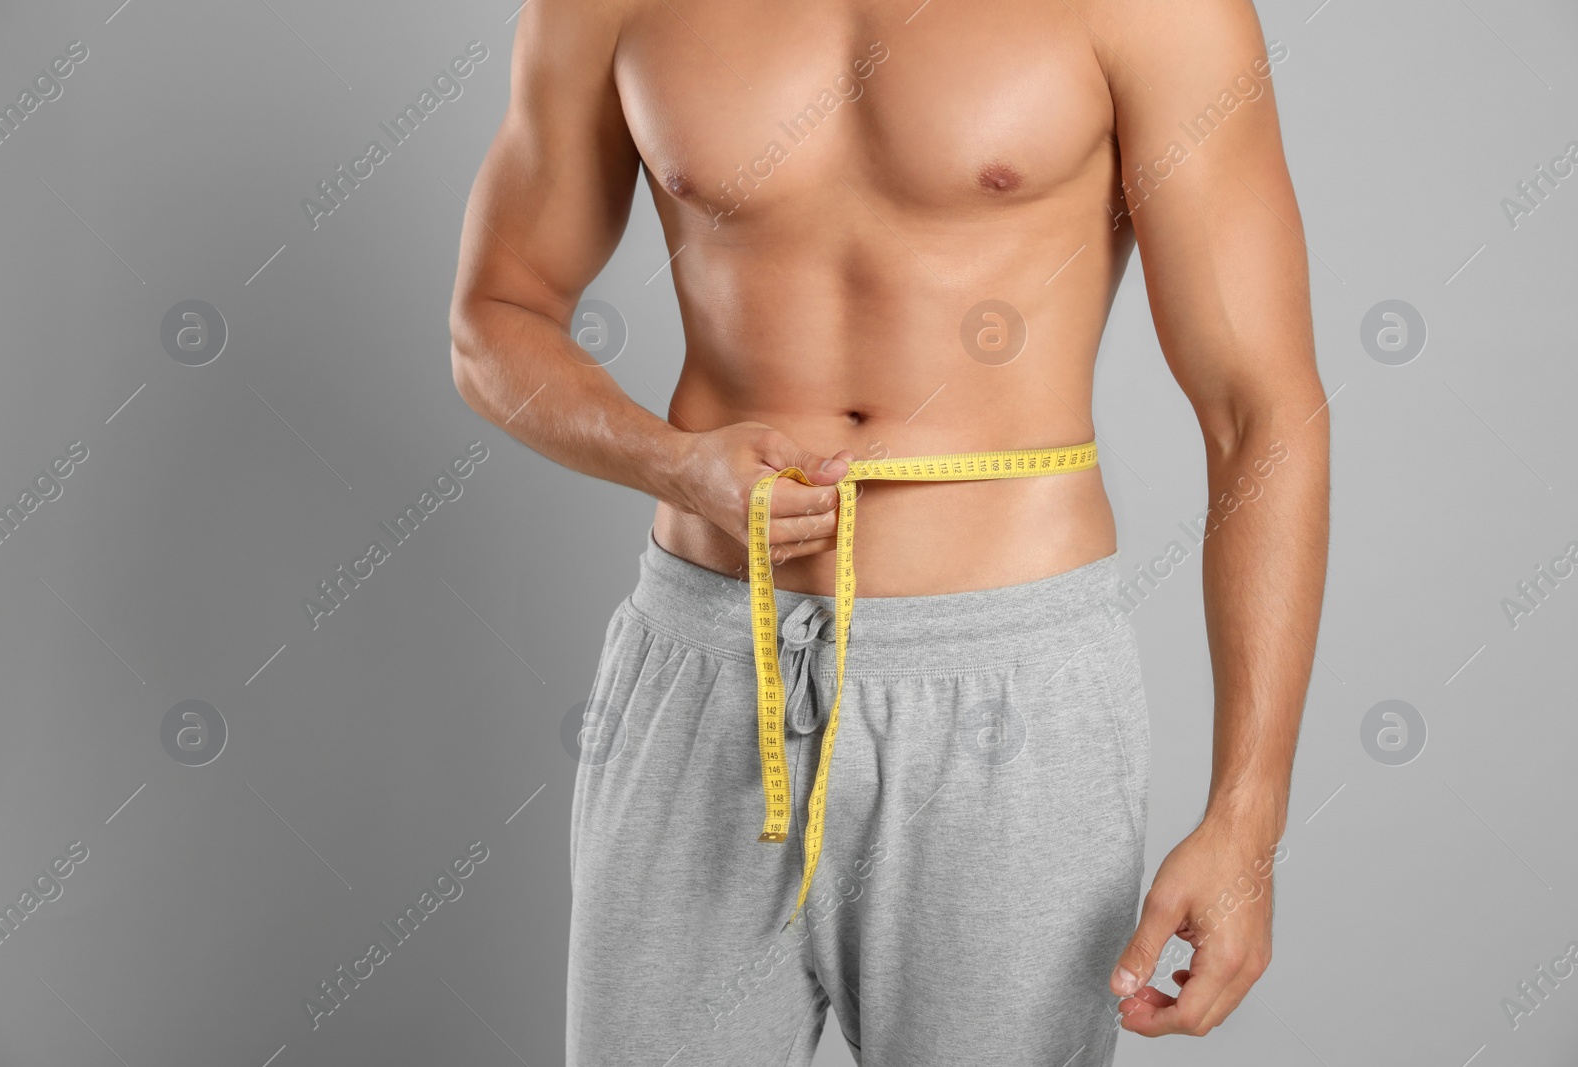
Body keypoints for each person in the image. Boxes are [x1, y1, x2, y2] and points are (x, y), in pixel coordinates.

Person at [449, 0, 1327, 1062]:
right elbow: (495, 314)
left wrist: (1247, 817)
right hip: (708, 664)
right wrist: (669, 460)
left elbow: (1259, 409)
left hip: (1007, 693)